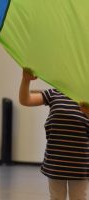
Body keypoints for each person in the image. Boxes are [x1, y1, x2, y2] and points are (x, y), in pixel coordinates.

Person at [19, 69, 89, 200]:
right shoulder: (54, 93)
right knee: (56, 197)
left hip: (80, 164)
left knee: (79, 198)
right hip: (56, 162)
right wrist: (26, 80)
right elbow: (25, 100)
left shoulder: (86, 97)